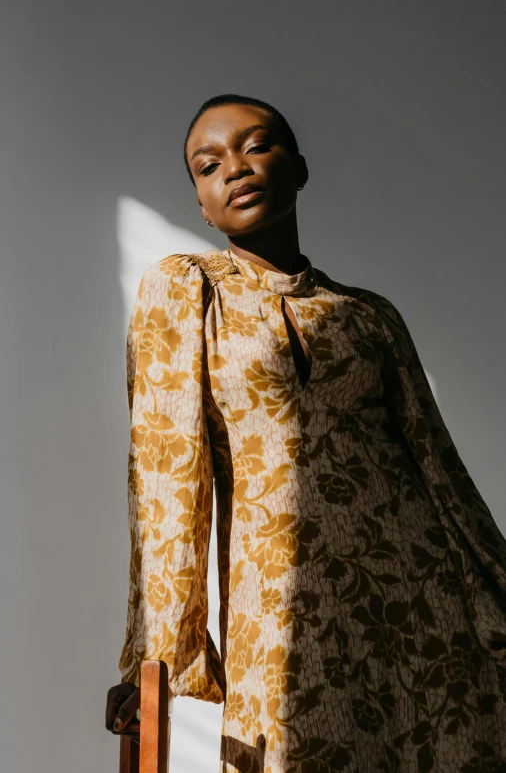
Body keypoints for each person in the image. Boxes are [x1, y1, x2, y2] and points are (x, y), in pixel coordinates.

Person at [106, 93, 506, 772]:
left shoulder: (370, 317)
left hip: (423, 605)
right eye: (209, 165)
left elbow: (442, 473)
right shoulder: (184, 290)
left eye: (257, 146)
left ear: (299, 167)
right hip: (286, 611)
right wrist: (154, 659)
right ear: (201, 204)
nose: (234, 168)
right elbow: (166, 478)